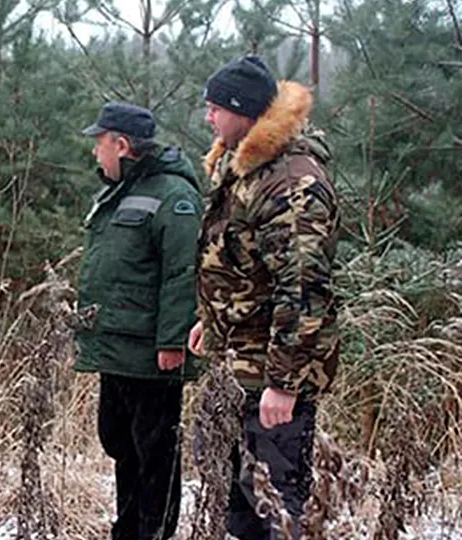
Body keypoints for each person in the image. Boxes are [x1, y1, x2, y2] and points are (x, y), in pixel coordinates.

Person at [188, 54, 340, 539]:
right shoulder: (246, 170)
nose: (209, 117)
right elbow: (237, 264)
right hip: (238, 367)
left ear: (246, 111)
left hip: (270, 380)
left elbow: (304, 289)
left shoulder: (292, 181)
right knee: (240, 508)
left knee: (276, 510)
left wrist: (285, 383)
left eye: (216, 108)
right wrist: (210, 322)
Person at [73, 102, 204, 540]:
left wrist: (172, 342)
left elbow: (183, 272)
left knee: (156, 454)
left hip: (152, 353)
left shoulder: (174, 195)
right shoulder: (118, 192)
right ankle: (127, 530)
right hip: (115, 348)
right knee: (119, 442)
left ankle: (155, 532)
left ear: (122, 144)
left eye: (100, 144)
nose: (96, 154)